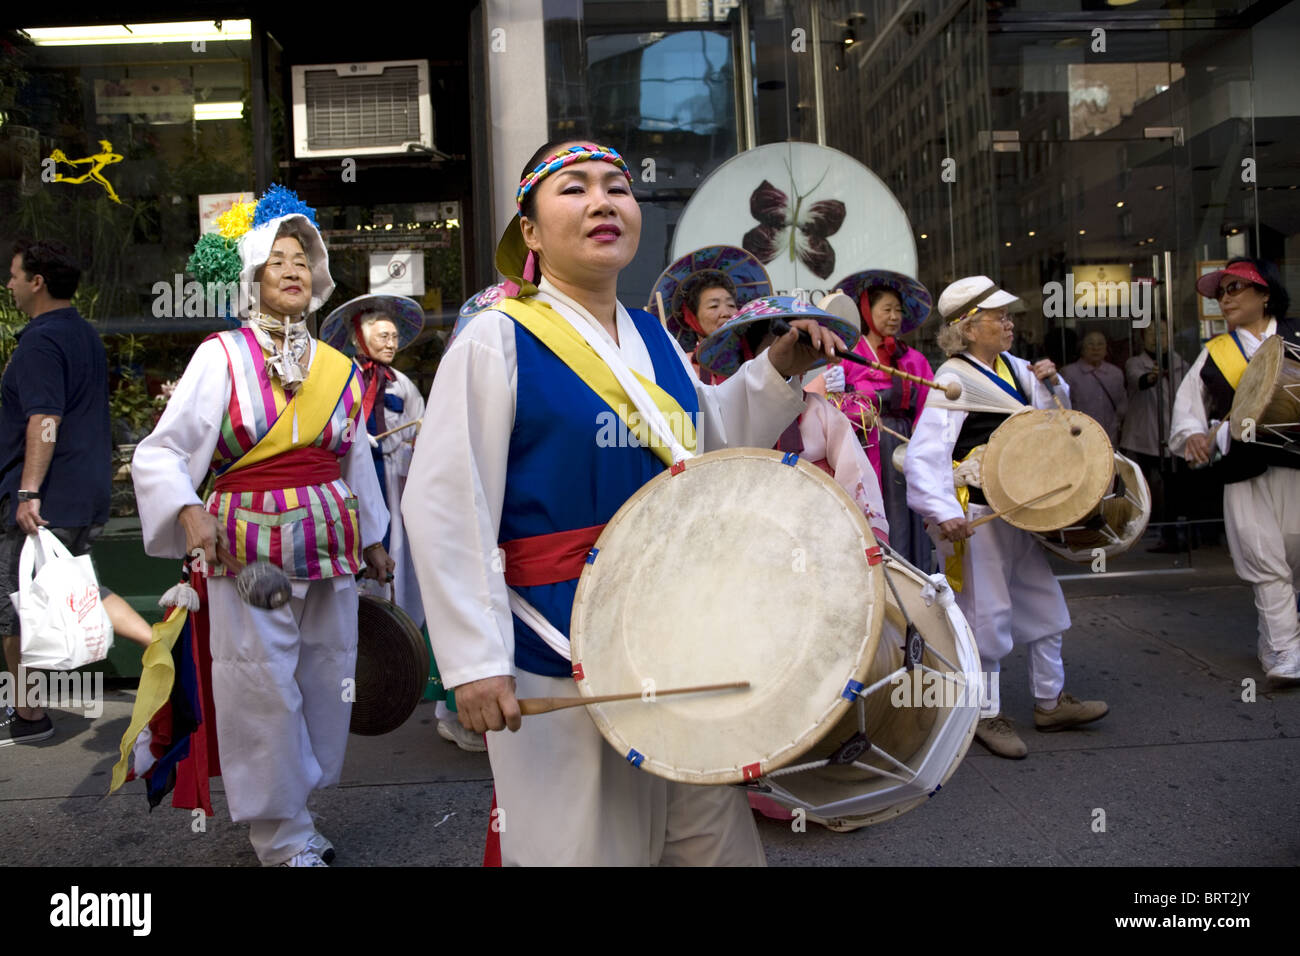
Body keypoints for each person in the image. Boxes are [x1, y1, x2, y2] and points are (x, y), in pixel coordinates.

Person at [401, 139, 843, 865]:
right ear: (532, 232)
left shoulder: (653, 336)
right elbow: (449, 502)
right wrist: (475, 663)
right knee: (581, 843)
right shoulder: (496, 339)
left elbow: (705, 442)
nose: (604, 201)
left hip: (674, 626)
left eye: (618, 186)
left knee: (709, 840)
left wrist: (781, 366)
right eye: (573, 189)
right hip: (556, 633)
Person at [131, 186, 394, 865]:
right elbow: (160, 451)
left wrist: (374, 537)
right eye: (277, 258)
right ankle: (280, 838)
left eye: (302, 257)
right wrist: (188, 508)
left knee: (324, 678)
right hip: (247, 548)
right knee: (263, 686)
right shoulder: (220, 356)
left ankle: (296, 818)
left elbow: (354, 451)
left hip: (331, 542)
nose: (292, 267)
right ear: (254, 275)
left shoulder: (337, 365)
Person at [904, 276, 1108, 759]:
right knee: (987, 612)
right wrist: (942, 510)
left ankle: (1050, 700)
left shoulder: (1018, 368)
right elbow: (924, 456)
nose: (1009, 323)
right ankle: (985, 713)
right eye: (998, 316)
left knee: (1043, 602)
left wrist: (1055, 383)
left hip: (1022, 509)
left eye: (1007, 315)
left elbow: (1051, 425)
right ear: (968, 327)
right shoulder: (953, 380)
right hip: (977, 509)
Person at [1, 240, 151, 748]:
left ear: (37, 281)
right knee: (76, 585)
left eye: (16, 275)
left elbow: (45, 419)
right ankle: (165, 654)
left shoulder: (40, 341)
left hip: (46, 495)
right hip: (83, 492)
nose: (10, 284)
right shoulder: (84, 333)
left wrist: (28, 490)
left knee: (11, 601)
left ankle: (28, 715)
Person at [1170, 257, 1300, 686]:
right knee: (1266, 561)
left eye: (1235, 289)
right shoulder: (1215, 354)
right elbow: (1187, 416)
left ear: (1265, 293)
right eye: (1221, 292)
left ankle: (1276, 640)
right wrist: (1192, 436)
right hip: (1245, 472)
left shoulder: (1296, 339)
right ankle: (1284, 654)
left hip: (1296, 465)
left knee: (1293, 559)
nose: (1225, 298)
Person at [695, 294, 889, 543]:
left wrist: (869, 534)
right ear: (752, 359)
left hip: (819, 534)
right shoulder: (729, 416)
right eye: (771, 350)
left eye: (793, 345)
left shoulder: (821, 411)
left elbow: (856, 474)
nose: (784, 354)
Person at [825, 270, 934, 569]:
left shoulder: (914, 359)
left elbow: (929, 405)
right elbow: (834, 407)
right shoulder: (848, 356)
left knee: (911, 514)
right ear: (866, 311)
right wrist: (840, 394)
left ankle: (918, 575)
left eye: (898, 310)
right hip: (866, 447)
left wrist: (921, 441)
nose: (894, 316)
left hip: (907, 446)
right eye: (886, 309)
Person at [1120, 323, 1188, 553]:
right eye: (1151, 333)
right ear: (1141, 337)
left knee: (1172, 487)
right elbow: (1139, 381)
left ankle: (1171, 534)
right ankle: (1140, 532)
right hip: (1143, 435)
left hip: (1172, 434)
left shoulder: (1181, 364)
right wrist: (1152, 377)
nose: (1157, 338)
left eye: (1162, 333)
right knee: (1143, 486)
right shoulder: (1134, 363)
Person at [1060, 331, 1127, 446]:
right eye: (1091, 344)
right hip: (1079, 436)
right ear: (1082, 348)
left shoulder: (1116, 373)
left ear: (1106, 349)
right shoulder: (1068, 373)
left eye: (1100, 344)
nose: (1096, 348)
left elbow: (1122, 405)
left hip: (1109, 436)